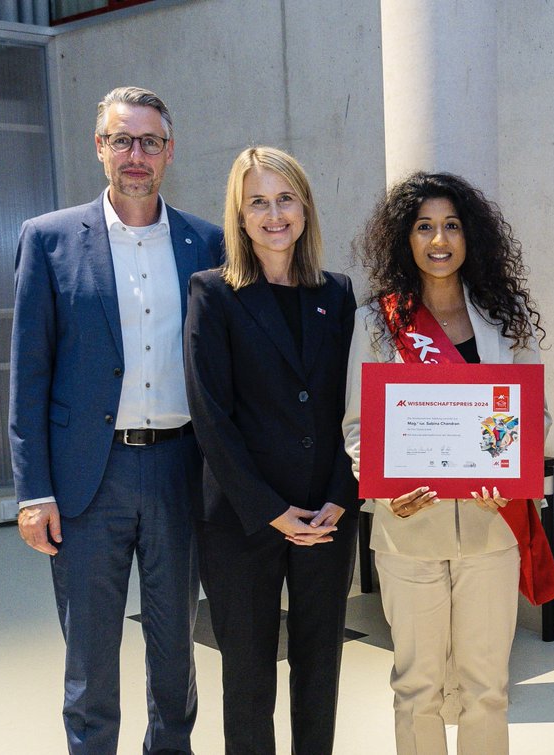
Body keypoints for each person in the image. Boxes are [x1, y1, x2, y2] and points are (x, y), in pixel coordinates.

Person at [8, 86, 223, 754]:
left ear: (169, 151)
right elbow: (29, 374)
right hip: (84, 483)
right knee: (91, 664)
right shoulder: (46, 241)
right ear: (99, 147)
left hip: (178, 472)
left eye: (149, 141)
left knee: (174, 659)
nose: (137, 155)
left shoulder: (206, 243)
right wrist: (32, 492)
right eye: (123, 140)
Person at [342, 171, 554, 755]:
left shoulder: (504, 316)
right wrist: (385, 488)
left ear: (471, 237)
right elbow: (359, 429)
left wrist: (509, 471)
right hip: (408, 527)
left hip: (491, 526)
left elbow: (532, 416)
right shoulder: (377, 323)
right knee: (417, 687)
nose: (440, 240)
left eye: (452, 226)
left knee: (487, 688)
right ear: (404, 239)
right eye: (425, 227)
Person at [183, 146, 358, 754]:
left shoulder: (337, 294)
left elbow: (349, 406)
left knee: (320, 668)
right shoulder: (212, 292)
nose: (274, 213)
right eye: (257, 201)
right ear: (239, 213)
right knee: (249, 675)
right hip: (241, 518)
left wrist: (341, 495)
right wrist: (270, 511)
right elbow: (211, 416)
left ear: (305, 208)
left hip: (326, 513)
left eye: (285, 198)